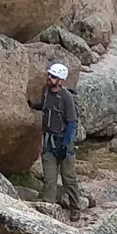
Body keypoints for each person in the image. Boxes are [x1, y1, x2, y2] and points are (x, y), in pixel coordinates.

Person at [28, 61, 83, 209]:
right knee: (49, 179)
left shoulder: (66, 98)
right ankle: (48, 207)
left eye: (53, 76)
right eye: (49, 75)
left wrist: (65, 145)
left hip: (64, 143)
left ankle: (75, 207)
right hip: (49, 143)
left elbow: (72, 122)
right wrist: (33, 105)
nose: (49, 77)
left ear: (60, 80)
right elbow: (46, 106)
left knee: (69, 179)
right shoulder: (45, 91)